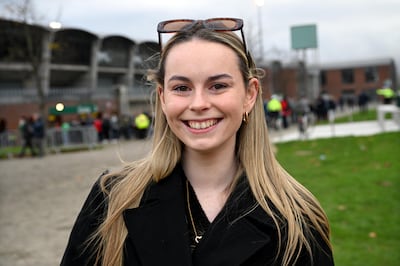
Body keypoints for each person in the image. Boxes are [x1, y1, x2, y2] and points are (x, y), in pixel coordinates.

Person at [61, 18, 334, 265]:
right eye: (181, 88)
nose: (199, 104)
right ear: (163, 97)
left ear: (250, 95)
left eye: (218, 86)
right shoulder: (113, 198)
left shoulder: (296, 216)